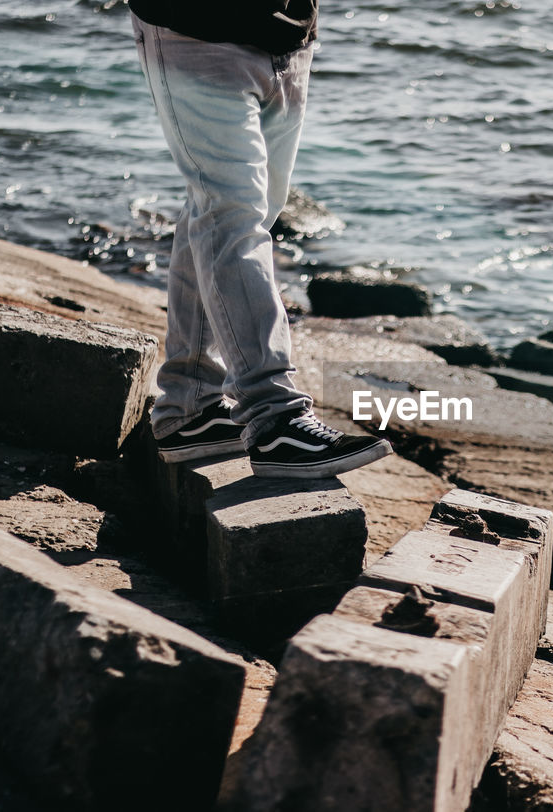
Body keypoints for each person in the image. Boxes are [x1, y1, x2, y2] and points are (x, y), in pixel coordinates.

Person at [128, 0, 392, 478]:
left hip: (289, 40)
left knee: (222, 214)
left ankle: (189, 410)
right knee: (232, 220)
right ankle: (275, 418)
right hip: (195, 33)